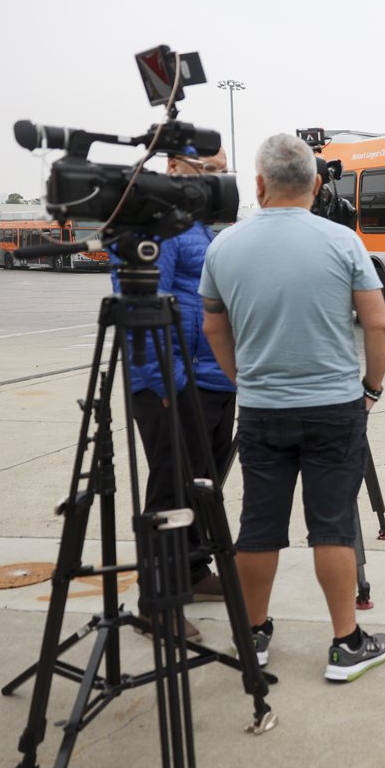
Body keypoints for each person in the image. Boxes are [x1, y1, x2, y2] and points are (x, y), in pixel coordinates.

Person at [200, 133, 385, 683]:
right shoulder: (343, 242)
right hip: (334, 407)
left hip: (262, 409)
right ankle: (346, 644)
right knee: (332, 526)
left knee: (258, 525)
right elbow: (378, 324)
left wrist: (244, 381)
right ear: (315, 185)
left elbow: (214, 326)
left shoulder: (225, 246)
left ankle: (253, 636)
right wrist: (371, 389)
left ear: (259, 184)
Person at [112, 147, 235, 643]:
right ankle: (157, 601)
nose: (218, 180)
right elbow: (140, 305)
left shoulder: (200, 226)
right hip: (174, 384)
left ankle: (192, 569)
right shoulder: (155, 227)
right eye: (211, 171)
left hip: (213, 380)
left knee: (203, 486)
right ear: (176, 168)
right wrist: (167, 384)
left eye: (223, 171)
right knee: (170, 490)